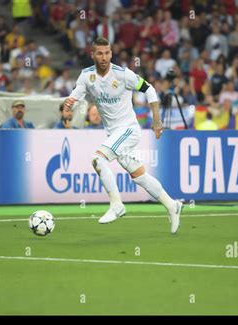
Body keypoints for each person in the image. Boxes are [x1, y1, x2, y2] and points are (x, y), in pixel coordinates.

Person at [64, 37, 182, 233]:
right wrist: (70, 102)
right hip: (114, 133)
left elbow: (150, 89)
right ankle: (172, 205)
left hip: (128, 129)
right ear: (92, 55)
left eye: (107, 53)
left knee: (97, 159)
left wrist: (157, 120)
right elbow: (77, 93)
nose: (104, 57)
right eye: (100, 53)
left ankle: (117, 205)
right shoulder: (86, 76)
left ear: (111, 53)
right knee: (139, 176)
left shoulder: (123, 74)